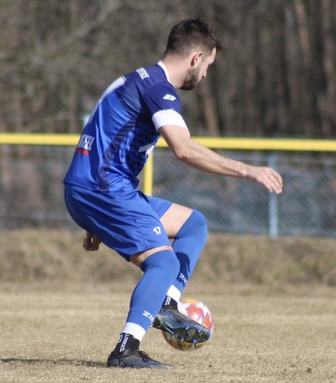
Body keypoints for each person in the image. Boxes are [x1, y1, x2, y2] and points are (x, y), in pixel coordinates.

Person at [63, 17, 283, 369]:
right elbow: (183, 148)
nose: (207, 75)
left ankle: (166, 301)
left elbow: (100, 139)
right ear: (195, 59)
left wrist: (95, 222)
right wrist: (248, 170)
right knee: (163, 261)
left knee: (193, 224)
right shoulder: (159, 90)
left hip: (94, 188)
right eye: (208, 65)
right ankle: (126, 349)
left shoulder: (135, 79)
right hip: (103, 189)